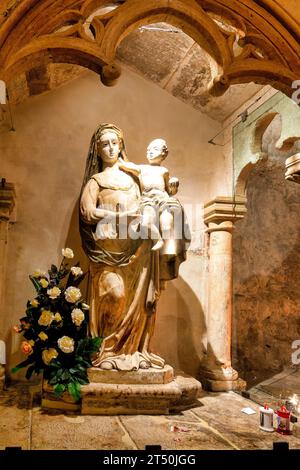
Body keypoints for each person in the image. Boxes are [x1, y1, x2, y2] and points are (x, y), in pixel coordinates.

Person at [79, 124, 165, 371]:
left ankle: (130, 351)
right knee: (114, 296)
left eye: (114, 143)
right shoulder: (96, 181)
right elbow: (87, 213)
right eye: (104, 144)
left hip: (136, 252)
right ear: (97, 149)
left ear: (121, 145)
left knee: (136, 304)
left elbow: (149, 201)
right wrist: (122, 215)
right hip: (105, 252)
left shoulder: (133, 179)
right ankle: (106, 352)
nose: (110, 148)